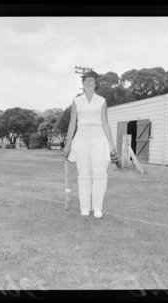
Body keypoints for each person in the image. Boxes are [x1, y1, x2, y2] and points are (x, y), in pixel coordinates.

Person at [63, 70, 116, 218]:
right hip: (81, 139)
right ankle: (85, 207)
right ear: (83, 83)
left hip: (99, 138)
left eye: (91, 80)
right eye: (85, 80)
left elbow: (105, 123)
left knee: (100, 174)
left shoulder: (102, 101)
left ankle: (97, 207)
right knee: (84, 175)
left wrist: (111, 145)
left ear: (95, 83)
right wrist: (68, 144)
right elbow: (72, 123)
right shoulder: (76, 101)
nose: (88, 82)